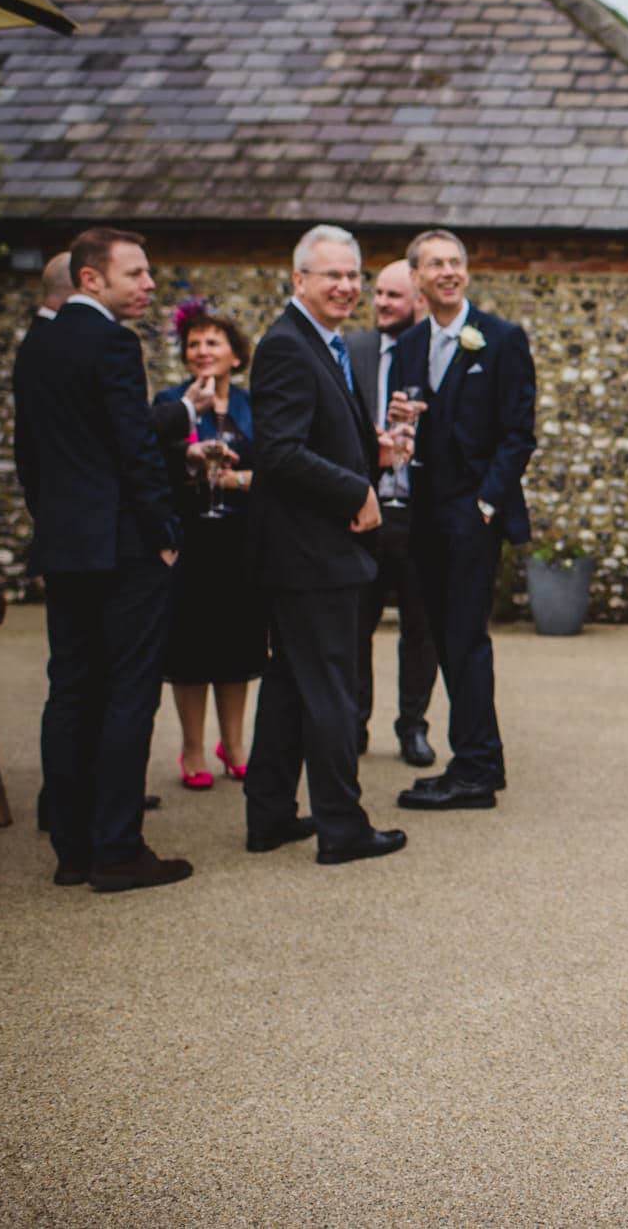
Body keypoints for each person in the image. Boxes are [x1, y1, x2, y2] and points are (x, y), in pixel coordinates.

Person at [11, 227, 192, 892]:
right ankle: (118, 850)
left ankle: (72, 848)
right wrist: (164, 528)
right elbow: (134, 446)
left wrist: (56, 523)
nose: (149, 284)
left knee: (71, 691)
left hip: (66, 545)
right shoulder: (113, 341)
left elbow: (27, 455)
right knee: (128, 693)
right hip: (124, 545)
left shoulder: (38, 343)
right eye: (136, 273)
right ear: (92, 279)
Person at [242, 224, 406, 866]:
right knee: (335, 688)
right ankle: (343, 827)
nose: (346, 286)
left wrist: (375, 450)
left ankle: (270, 815)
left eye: (353, 275)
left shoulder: (320, 342)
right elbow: (279, 452)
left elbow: (311, 432)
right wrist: (356, 491)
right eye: (331, 274)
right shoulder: (286, 346)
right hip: (310, 552)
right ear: (299, 280)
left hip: (303, 552)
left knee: (289, 683)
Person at [389, 228, 536, 811]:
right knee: (443, 640)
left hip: (472, 515)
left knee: (466, 639)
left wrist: (485, 504)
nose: (448, 271)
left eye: (456, 262)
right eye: (436, 264)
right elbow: (403, 425)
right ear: (417, 279)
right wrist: (401, 427)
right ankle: (475, 759)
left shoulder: (501, 339)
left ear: (466, 273)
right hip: (421, 513)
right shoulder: (407, 345)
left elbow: (518, 434)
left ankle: (476, 770)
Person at [153, 301, 265, 790]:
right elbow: (151, 467)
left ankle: (235, 745)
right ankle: (194, 748)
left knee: (238, 644)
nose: (202, 350)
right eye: (194, 343)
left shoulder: (252, 405)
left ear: (234, 356)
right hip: (189, 539)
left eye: (212, 342)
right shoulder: (168, 402)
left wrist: (237, 478)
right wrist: (187, 464)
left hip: (239, 538)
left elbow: (275, 469)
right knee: (191, 648)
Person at [345, 260, 438, 768]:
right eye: (377, 293)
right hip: (366, 507)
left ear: (419, 300)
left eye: (393, 295)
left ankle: (413, 726)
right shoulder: (354, 350)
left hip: (420, 512)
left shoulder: (438, 354)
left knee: (420, 628)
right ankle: (354, 724)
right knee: (356, 623)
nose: (380, 303)